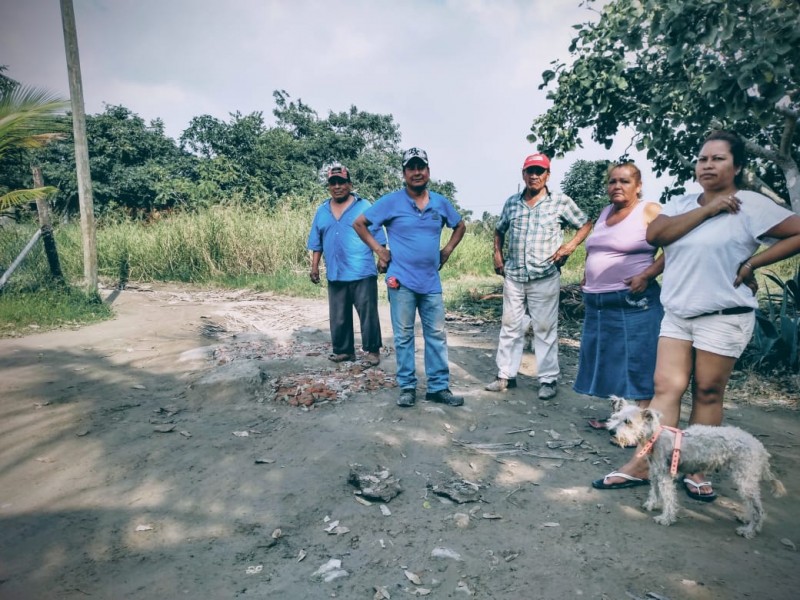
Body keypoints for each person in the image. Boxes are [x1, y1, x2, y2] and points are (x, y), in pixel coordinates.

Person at [593, 130, 800, 499]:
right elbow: (657, 235)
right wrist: (709, 208)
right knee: (665, 389)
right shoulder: (683, 201)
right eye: (703, 159)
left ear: (736, 166)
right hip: (678, 312)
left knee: (707, 391)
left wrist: (753, 263)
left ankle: (697, 467)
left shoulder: (751, 203)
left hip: (724, 312)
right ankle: (645, 463)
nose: (708, 165)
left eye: (718, 158)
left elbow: (796, 232)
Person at [353, 147, 466, 408]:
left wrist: (446, 251)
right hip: (401, 282)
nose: (417, 172)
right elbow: (359, 223)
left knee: (436, 334)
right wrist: (380, 250)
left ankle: (438, 387)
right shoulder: (391, 202)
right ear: (404, 173)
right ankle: (407, 387)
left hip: (430, 283)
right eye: (411, 168)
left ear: (428, 171)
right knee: (404, 336)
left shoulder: (440, 202)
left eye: (421, 167)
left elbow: (459, 225)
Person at [487, 153, 593, 399]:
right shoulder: (512, 203)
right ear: (523, 174)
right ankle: (505, 376)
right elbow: (499, 229)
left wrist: (570, 246)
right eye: (529, 171)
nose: (534, 176)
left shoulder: (560, 202)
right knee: (510, 326)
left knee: (545, 328)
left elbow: (585, 223)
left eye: (539, 171)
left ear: (548, 175)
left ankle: (547, 380)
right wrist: (497, 254)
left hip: (545, 275)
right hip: (514, 275)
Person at [574, 162, 665, 426]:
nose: (617, 186)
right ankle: (618, 419)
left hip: (634, 303)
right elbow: (594, 249)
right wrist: (587, 274)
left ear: (638, 186)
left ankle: (637, 427)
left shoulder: (648, 210)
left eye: (624, 181)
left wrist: (647, 275)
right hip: (600, 303)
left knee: (638, 362)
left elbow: (674, 247)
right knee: (610, 361)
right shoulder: (605, 212)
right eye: (612, 181)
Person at [307, 164, 385, 366]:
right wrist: (314, 266)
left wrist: (382, 257)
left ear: (350, 184)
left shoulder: (364, 206)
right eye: (333, 183)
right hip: (336, 271)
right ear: (329, 186)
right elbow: (317, 241)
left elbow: (377, 235)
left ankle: (372, 351)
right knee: (338, 315)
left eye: (341, 182)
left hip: (362, 270)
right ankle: (344, 351)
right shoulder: (322, 210)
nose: (337, 186)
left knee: (367, 314)